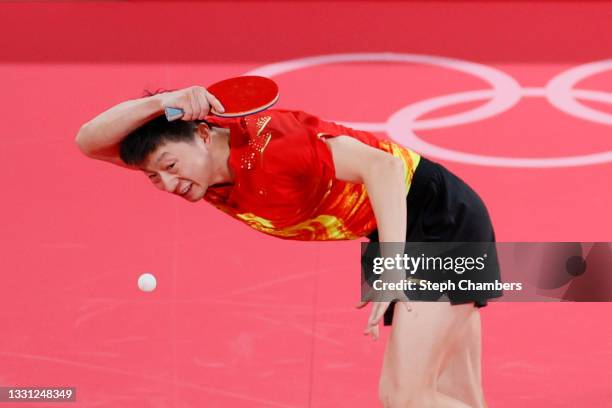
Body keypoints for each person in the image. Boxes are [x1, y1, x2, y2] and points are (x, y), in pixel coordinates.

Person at [76, 85, 502, 407]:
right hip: (394, 228)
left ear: (204, 135)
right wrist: (165, 100)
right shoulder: (202, 173)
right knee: (455, 394)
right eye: (154, 177)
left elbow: (383, 166)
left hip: (434, 222)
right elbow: (89, 141)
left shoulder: (274, 146)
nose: (168, 184)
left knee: (403, 397)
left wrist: (392, 271)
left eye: (169, 166)